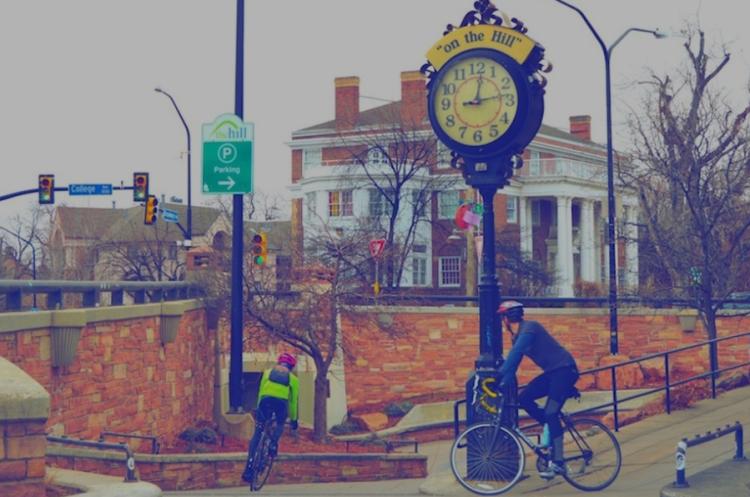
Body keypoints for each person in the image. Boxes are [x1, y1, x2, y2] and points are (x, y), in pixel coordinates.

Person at [496, 300, 579, 479]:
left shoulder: (529, 328)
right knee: (524, 399)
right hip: (552, 373)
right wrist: (503, 382)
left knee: (550, 412)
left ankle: (558, 463)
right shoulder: (518, 336)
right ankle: (552, 427)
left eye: (502, 317)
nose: (503, 322)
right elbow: (515, 362)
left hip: (564, 370)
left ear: (507, 318)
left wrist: (499, 375)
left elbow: (516, 353)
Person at [242, 352, 300, 483]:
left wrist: (258, 409)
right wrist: (293, 419)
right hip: (281, 404)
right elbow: (292, 402)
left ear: (279, 363)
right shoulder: (293, 379)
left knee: (257, 433)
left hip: (265, 402)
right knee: (280, 423)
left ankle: (249, 468)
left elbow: (261, 392)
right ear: (291, 367)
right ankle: (273, 444)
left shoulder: (267, 373)